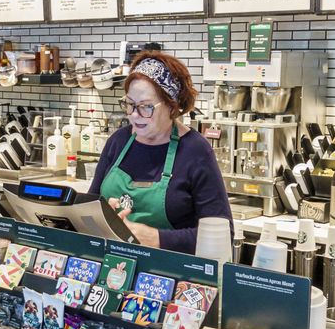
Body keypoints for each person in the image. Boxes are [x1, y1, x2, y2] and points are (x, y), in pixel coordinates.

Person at [88, 51, 232, 253]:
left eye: (146, 107)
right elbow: (88, 207)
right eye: (129, 104)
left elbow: (225, 233)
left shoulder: (195, 151)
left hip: (171, 276)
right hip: (115, 268)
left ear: (172, 107)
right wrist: (104, 216)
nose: (135, 115)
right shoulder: (118, 141)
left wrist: (158, 238)